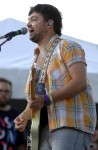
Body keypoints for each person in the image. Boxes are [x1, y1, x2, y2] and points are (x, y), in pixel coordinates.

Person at [14, 4, 97, 150]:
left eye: (33, 19)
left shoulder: (67, 46)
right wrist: (25, 115)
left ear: (49, 23)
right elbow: (36, 99)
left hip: (69, 124)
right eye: (28, 20)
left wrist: (47, 99)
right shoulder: (34, 61)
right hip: (41, 130)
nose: (28, 24)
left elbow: (80, 82)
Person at [0, 78, 26, 150]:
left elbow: (20, 142)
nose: (3, 94)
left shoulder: (16, 114)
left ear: (11, 93)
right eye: (0, 91)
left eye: (6, 91)